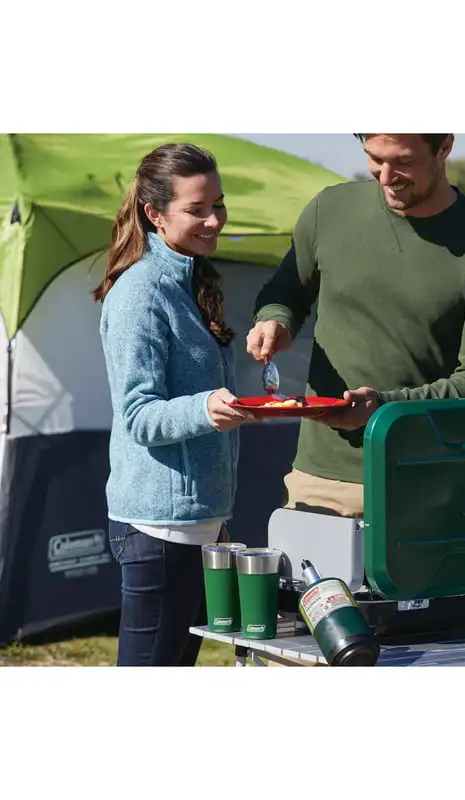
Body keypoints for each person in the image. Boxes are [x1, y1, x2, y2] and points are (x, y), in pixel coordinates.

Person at [246, 134, 465, 518]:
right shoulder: (329, 209)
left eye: (404, 162)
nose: (386, 177)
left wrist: (382, 407)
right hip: (319, 481)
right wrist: (274, 320)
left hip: (427, 484)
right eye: (375, 159)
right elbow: (285, 291)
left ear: (444, 146)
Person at [93, 143, 256, 666]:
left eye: (219, 204)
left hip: (199, 525)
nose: (214, 220)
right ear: (155, 214)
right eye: (197, 209)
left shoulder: (192, 280)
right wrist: (207, 408)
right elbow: (138, 415)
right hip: (158, 532)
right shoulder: (140, 294)